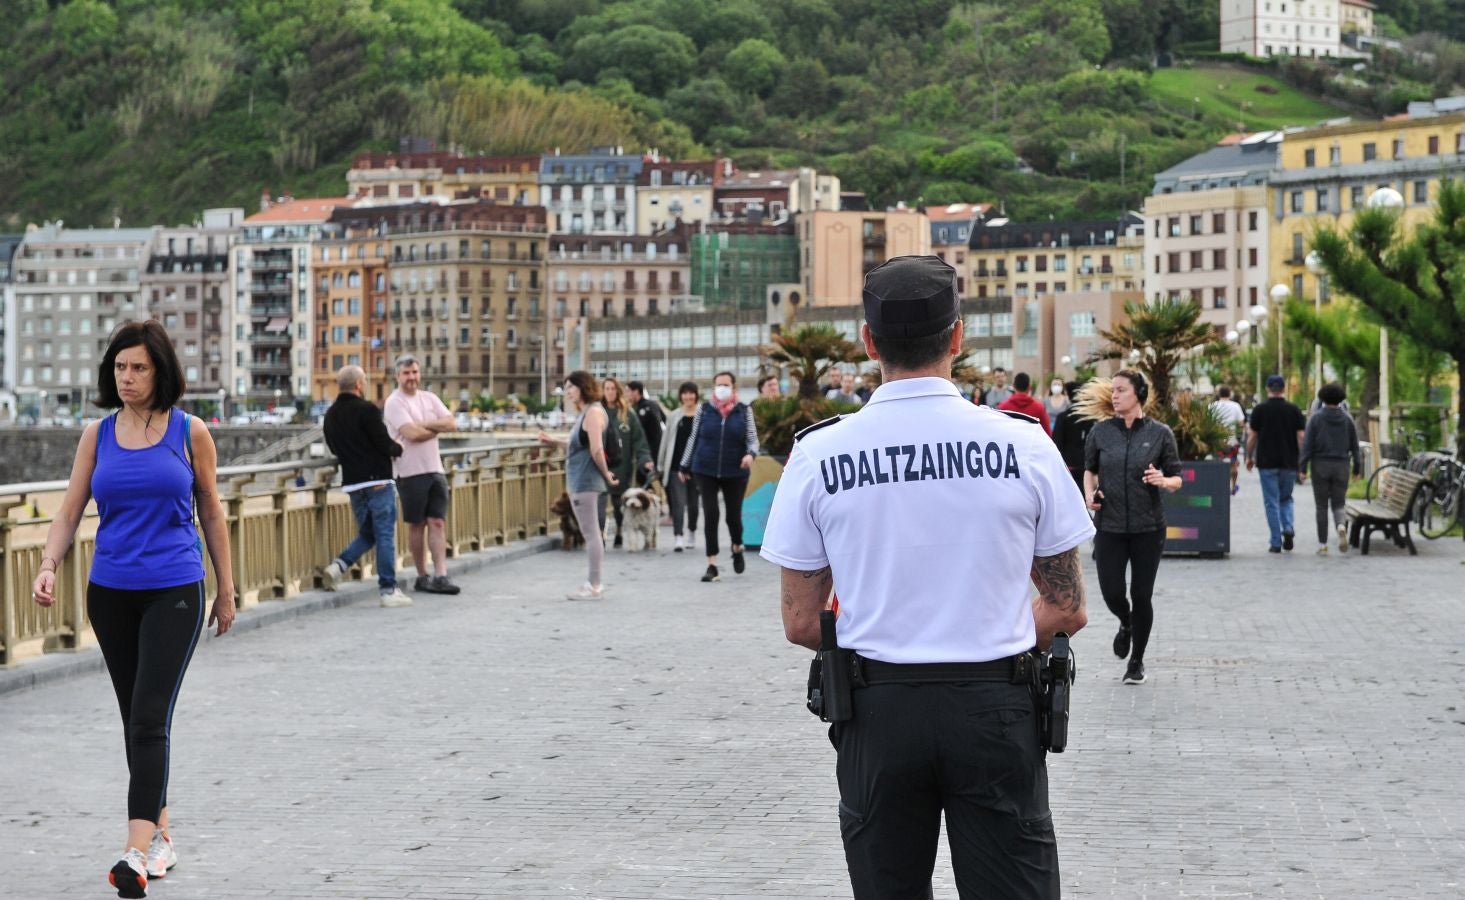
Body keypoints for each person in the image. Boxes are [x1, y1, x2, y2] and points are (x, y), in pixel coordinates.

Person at [762, 255, 1092, 898]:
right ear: (957, 338)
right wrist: (984, 631)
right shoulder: (1023, 443)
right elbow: (1067, 607)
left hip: (877, 710)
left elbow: (801, 622)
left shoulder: (819, 451)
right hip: (994, 706)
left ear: (869, 342)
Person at [31, 320, 236, 897]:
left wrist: (227, 588)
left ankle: (135, 854)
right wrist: (48, 563)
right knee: (137, 720)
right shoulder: (97, 435)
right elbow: (70, 509)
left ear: (159, 370)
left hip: (175, 588)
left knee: (148, 716)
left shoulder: (190, 432)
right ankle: (162, 835)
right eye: (120, 367)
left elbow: (212, 512)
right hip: (111, 593)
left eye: (139, 367)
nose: (127, 377)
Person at [1083, 369, 1183, 686]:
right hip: (1109, 526)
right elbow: (1089, 470)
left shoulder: (1160, 433)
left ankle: (1136, 662)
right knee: (1112, 592)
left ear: (1138, 394)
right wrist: (1089, 495)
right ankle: (1125, 622)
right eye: (1113, 390)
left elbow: (1177, 478)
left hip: (1148, 528)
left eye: (1121, 390)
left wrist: (1163, 480)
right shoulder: (1101, 432)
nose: (1114, 395)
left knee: (1141, 595)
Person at [320, 364, 412, 607]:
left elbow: (334, 448)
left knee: (369, 532)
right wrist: (398, 448)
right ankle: (388, 590)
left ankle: (339, 565)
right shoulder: (367, 409)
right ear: (359, 384)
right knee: (384, 534)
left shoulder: (330, 415)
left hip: (353, 484)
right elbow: (383, 443)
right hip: (378, 481)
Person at [383, 356, 461, 594]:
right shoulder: (394, 402)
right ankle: (422, 575)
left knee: (438, 522)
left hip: (435, 468)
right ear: (397, 376)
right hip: (409, 472)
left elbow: (451, 423)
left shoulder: (429, 397)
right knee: (417, 524)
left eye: (415, 372)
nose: (412, 377)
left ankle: (441, 575)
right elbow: (412, 434)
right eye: (406, 373)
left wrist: (423, 425)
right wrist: (435, 427)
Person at [538, 371, 618, 599]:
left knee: (591, 534)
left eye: (571, 387)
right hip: (582, 480)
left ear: (583, 387)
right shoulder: (588, 412)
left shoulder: (593, 413)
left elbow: (596, 449)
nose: (568, 392)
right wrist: (554, 442)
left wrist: (606, 474)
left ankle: (594, 585)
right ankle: (594, 583)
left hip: (586, 481)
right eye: (566, 388)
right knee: (592, 532)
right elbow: (580, 445)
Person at [679, 370, 759, 582]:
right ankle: (712, 564)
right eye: (718, 384)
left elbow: (752, 439)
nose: (721, 388)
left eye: (725, 385)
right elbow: (693, 437)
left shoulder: (744, 410)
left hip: (735, 470)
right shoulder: (704, 409)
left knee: (733, 516)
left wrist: (750, 455)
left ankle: (737, 546)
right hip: (705, 468)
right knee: (711, 514)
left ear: (734, 388)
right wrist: (684, 464)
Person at [1300, 382, 1363, 555]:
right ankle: (1341, 526)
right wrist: (1357, 469)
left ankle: (1323, 545)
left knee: (1321, 506)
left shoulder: (1316, 418)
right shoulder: (1347, 419)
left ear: (1322, 398)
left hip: (1320, 465)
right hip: (1342, 465)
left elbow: (1308, 445)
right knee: (1339, 503)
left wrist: (1303, 468)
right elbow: (1355, 446)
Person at [1246, 374, 1307, 553]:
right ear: (1283, 389)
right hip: (1289, 462)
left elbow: (1252, 436)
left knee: (1271, 502)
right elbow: (1301, 437)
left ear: (1267, 389)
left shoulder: (1260, 410)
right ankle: (1287, 527)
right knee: (1286, 498)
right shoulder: (1294, 410)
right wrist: (1302, 461)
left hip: (1267, 462)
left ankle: (1275, 542)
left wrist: (1249, 456)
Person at [601, 377, 655, 547]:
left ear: (618, 391)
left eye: (613, 389)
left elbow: (639, 441)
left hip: (620, 466)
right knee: (599, 501)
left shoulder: (627, 414)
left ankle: (619, 529)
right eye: (607, 388)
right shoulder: (597, 412)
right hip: (599, 465)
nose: (610, 392)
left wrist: (645, 459)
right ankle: (601, 534)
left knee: (619, 502)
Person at [657, 381, 702, 552]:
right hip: (675, 466)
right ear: (681, 396)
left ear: (696, 395)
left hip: (697, 467)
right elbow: (665, 441)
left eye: (691, 393)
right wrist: (661, 464)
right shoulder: (674, 416)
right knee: (678, 503)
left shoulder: (703, 414)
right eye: (685, 393)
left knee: (693, 504)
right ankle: (678, 536)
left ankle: (691, 532)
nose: (688, 396)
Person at [1050, 380, 1092, 491]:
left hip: (1068, 467)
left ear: (1068, 396)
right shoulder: (1090, 418)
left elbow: (1056, 444)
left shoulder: (1062, 418)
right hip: (1087, 468)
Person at [1210, 385, 1247, 496]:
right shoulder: (1236, 406)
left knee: (1217, 463)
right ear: (1230, 394)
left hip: (1216, 440)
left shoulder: (1212, 406)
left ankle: (1219, 486)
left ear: (1219, 394)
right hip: (1232, 440)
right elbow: (1241, 423)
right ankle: (1233, 486)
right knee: (1233, 464)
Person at [626, 379, 665, 463]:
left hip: (649, 452)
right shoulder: (653, 403)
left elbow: (637, 430)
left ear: (636, 392)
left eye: (628, 391)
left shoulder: (643, 408)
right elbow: (664, 420)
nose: (627, 394)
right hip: (659, 448)